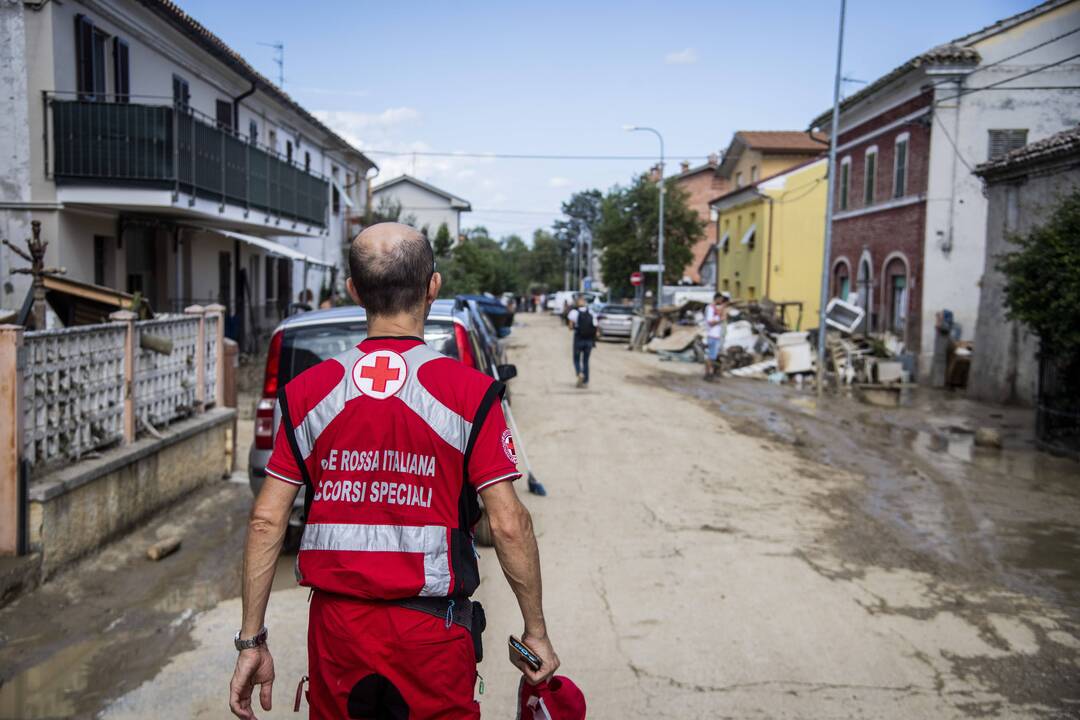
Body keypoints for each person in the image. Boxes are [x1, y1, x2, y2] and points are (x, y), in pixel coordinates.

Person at [229, 223, 559, 719]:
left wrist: (251, 641)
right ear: (433, 287)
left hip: (338, 634)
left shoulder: (306, 393)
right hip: (433, 636)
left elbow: (266, 522)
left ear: (354, 291)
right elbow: (510, 524)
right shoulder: (470, 393)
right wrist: (535, 631)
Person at [567, 296, 596, 388]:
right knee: (586, 361)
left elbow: (570, 327)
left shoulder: (573, 312)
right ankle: (585, 381)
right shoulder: (591, 312)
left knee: (576, 359)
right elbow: (596, 327)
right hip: (589, 340)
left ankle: (579, 373)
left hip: (578, 338)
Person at [704, 292, 729, 381]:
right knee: (711, 357)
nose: (721, 301)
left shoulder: (715, 309)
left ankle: (709, 374)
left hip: (715, 335)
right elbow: (710, 322)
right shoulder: (710, 308)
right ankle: (708, 374)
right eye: (721, 299)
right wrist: (720, 320)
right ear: (717, 298)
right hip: (712, 335)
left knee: (712, 356)